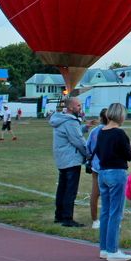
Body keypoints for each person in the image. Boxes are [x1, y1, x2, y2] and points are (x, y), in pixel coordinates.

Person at [95, 102, 131, 261]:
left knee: (106, 212)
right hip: (117, 173)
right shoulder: (120, 133)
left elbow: (105, 150)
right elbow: (129, 156)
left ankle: (104, 248)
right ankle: (113, 250)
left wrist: (129, 147)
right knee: (116, 212)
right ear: (121, 115)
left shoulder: (101, 132)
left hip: (103, 172)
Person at [50, 96, 89, 227]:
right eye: (78, 105)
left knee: (62, 187)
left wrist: (84, 127)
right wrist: (89, 154)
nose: (80, 108)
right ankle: (67, 218)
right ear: (71, 107)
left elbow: (69, 133)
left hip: (62, 158)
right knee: (70, 190)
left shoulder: (60, 119)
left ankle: (59, 215)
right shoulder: (70, 121)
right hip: (71, 159)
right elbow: (78, 140)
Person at [86, 108, 109, 229]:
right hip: (110, 166)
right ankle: (111, 219)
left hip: (96, 165)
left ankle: (95, 220)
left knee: (95, 193)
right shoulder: (114, 130)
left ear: (101, 118)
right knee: (111, 193)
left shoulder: (94, 131)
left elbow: (87, 147)